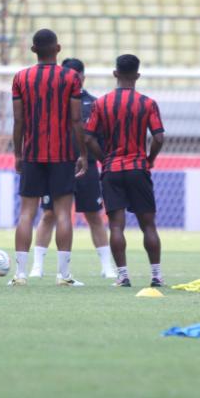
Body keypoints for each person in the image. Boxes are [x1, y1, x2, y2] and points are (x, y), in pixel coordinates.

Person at [9, 29, 87, 286]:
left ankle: (20, 274)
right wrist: (82, 153)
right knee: (64, 214)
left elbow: (18, 119)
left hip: (32, 152)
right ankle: (63, 276)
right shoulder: (71, 78)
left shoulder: (21, 77)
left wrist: (18, 153)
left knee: (26, 214)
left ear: (33, 51)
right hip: (62, 153)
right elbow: (76, 119)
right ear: (58, 48)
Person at [82, 54, 166, 288]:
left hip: (113, 170)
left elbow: (87, 138)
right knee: (148, 225)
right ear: (137, 75)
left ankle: (123, 276)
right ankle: (156, 275)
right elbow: (159, 137)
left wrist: (104, 160)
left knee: (116, 226)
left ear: (115, 73)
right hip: (139, 168)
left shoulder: (101, 103)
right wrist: (150, 159)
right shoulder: (147, 103)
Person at [31, 58, 118, 280]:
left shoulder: (94, 104)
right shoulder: (52, 102)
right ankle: (37, 266)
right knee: (49, 214)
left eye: (76, 77)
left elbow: (100, 137)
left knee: (94, 215)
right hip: (56, 164)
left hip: (86, 167)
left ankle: (107, 267)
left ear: (82, 78)